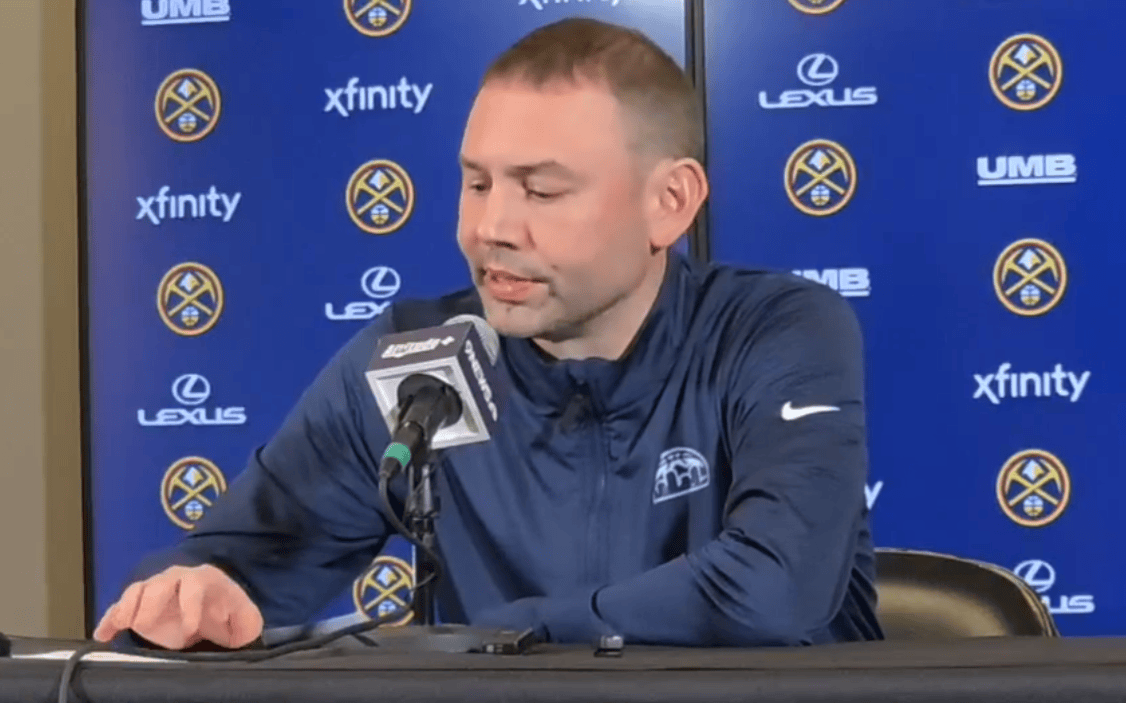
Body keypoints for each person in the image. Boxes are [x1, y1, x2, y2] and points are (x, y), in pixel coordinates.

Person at [94, 17, 884, 651]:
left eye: (541, 190)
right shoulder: (413, 359)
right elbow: (240, 561)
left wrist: (500, 640)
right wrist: (192, 589)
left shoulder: (779, 331)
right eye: (477, 183)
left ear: (670, 202)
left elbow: (772, 586)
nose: (490, 228)